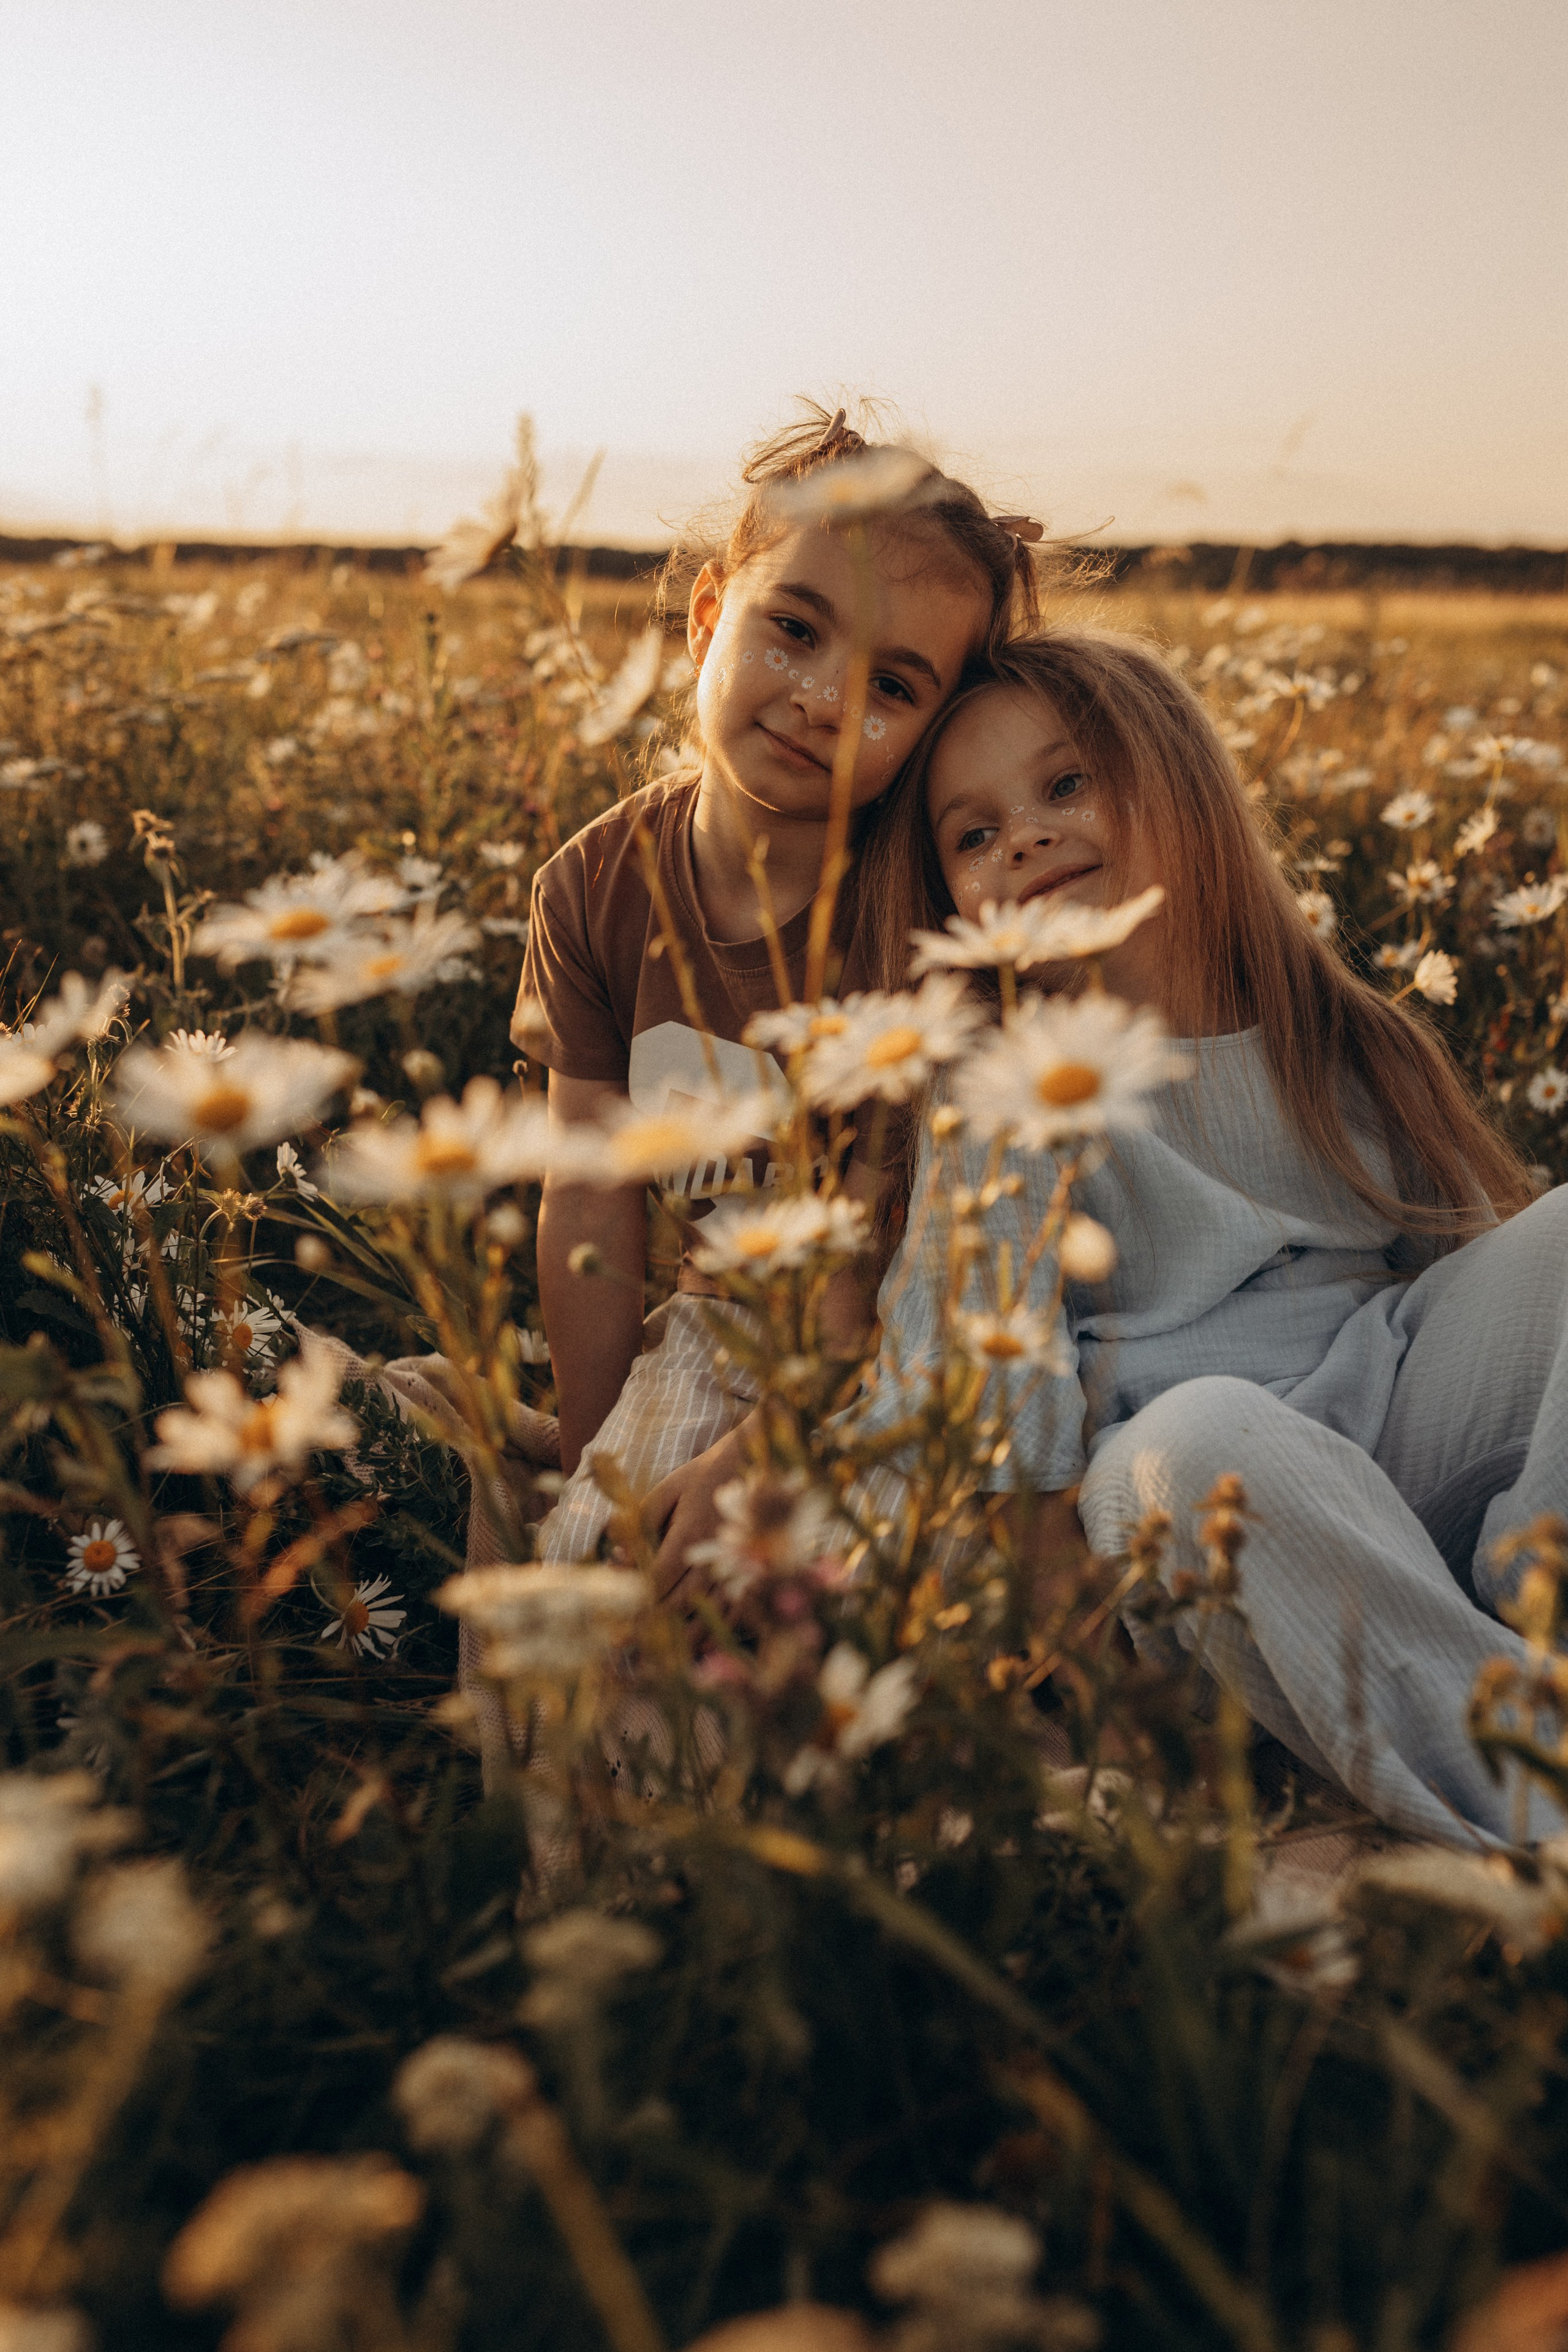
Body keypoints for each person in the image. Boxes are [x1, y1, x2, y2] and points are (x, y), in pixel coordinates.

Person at [662, 630, 1567, 1849]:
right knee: (1209, 1438)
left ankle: (1531, 1620)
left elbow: (1484, 1305)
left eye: (1067, 783)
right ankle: (1531, 1791)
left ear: (1181, 785)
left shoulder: (1340, 1034)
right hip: (1187, 1521)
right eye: (972, 835)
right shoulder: (1006, 1092)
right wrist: (1083, 1678)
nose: (1024, 837)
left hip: (1395, 1445)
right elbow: (994, 1417)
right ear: (950, 905)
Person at [519, 401, 1044, 1569]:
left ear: (933, 730)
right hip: (724, 1326)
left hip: (922, 1339)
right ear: (709, 615)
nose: (822, 699)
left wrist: (771, 1444)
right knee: (595, 1562)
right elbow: (590, 1201)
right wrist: (594, 1465)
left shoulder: (925, 921)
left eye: (893, 688)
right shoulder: (593, 891)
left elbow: (894, 1254)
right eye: (795, 631)